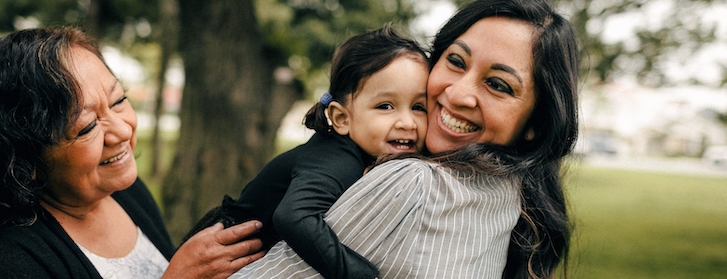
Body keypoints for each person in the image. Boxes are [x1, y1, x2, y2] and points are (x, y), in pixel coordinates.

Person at [231, 0, 579, 278]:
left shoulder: (413, 183)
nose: (458, 94)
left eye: (498, 84)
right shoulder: (511, 196)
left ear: (537, 121)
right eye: (456, 61)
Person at [0, 27, 264, 279]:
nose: (123, 131)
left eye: (118, 101)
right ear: (24, 158)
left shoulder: (123, 192)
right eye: (86, 127)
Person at [186, 25, 429, 279]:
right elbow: (294, 216)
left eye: (419, 107)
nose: (407, 122)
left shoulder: (362, 153)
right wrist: (361, 275)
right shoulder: (337, 159)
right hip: (216, 255)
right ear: (341, 118)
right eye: (386, 106)